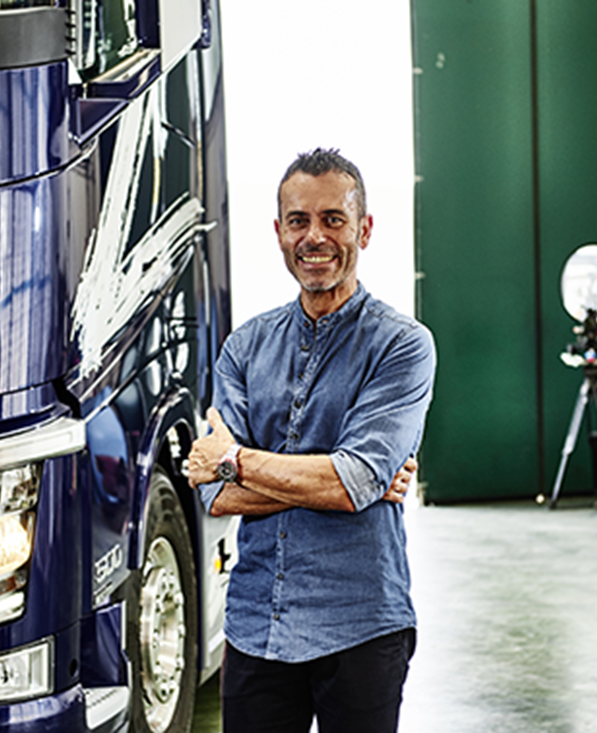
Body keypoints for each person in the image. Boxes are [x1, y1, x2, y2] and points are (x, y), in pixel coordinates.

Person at [186, 148, 436, 733]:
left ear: (364, 229)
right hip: (254, 629)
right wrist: (342, 478)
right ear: (278, 232)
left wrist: (235, 462)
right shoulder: (245, 347)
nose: (314, 236)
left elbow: (352, 483)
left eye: (333, 219)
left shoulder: (402, 346)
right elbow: (214, 498)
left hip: (362, 625)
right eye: (298, 221)